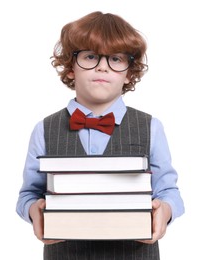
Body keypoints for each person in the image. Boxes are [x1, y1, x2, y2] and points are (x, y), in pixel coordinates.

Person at [16, 11, 185, 260]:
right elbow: (29, 193)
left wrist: (165, 211)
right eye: (91, 56)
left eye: (115, 59)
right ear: (71, 67)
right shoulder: (44, 128)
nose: (102, 66)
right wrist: (34, 210)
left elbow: (168, 191)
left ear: (129, 72)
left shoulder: (151, 127)